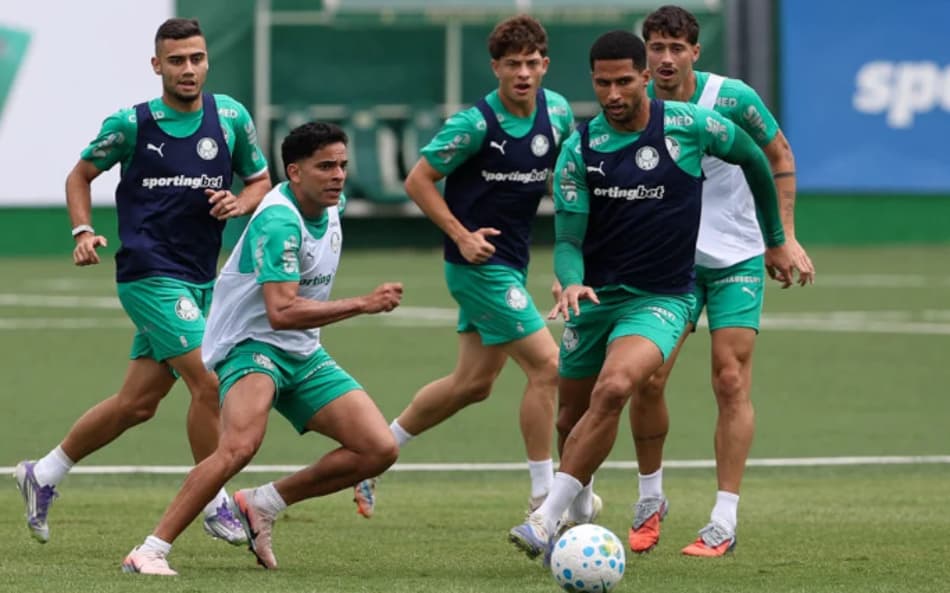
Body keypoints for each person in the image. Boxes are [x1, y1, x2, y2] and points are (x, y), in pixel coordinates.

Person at [508, 30, 796, 563]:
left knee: (618, 386)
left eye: (623, 81)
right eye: (601, 84)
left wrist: (776, 238)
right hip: (597, 301)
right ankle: (584, 500)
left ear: (645, 77)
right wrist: (570, 280)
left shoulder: (691, 126)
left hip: (662, 296)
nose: (613, 94)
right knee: (570, 419)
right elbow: (569, 240)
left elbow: (758, 159)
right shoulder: (580, 149)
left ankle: (546, 517)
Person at [13, 18, 271, 546]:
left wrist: (241, 202)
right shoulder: (131, 125)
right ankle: (214, 499)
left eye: (196, 58)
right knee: (209, 381)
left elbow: (261, 179)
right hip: (149, 274)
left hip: (202, 277)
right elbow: (79, 175)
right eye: (176, 61)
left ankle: (44, 473)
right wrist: (83, 230)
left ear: (207, 61)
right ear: (157, 66)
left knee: (138, 403)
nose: (188, 69)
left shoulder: (230, 117)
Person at [121, 121, 403, 575]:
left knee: (377, 448)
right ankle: (149, 550)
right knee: (238, 447)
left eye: (343, 165)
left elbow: (293, 320)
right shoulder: (278, 222)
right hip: (251, 346)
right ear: (294, 172)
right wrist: (364, 304)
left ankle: (263, 503)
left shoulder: (332, 204)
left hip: (302, 350)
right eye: (325, 166)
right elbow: (281, 312)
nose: (338, 176)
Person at [352, 14, 576, 519]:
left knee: (472, 384)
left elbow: (568, 182)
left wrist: (569, 264)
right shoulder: (475, 124)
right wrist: (461, 234)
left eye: (532, 63)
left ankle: (373, 456)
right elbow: (418, 180)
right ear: (495, 67)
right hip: (477, 267)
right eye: (512, 64)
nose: (523, 73)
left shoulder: (557, 113)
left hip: (512, 264)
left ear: (545, 65)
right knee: (548, 366)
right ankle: (544, 497)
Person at [625, 4, 816, 558]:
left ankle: (723, 521)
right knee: (649, 379)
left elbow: (778, 153)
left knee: (730, 381)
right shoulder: (633, 103)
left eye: (675, 48)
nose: (664, 59)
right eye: (655, 48)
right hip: (667, 263)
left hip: (735, 256)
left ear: (694, 52)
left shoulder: (732, 99)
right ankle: (649, 498)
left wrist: (783, 235)